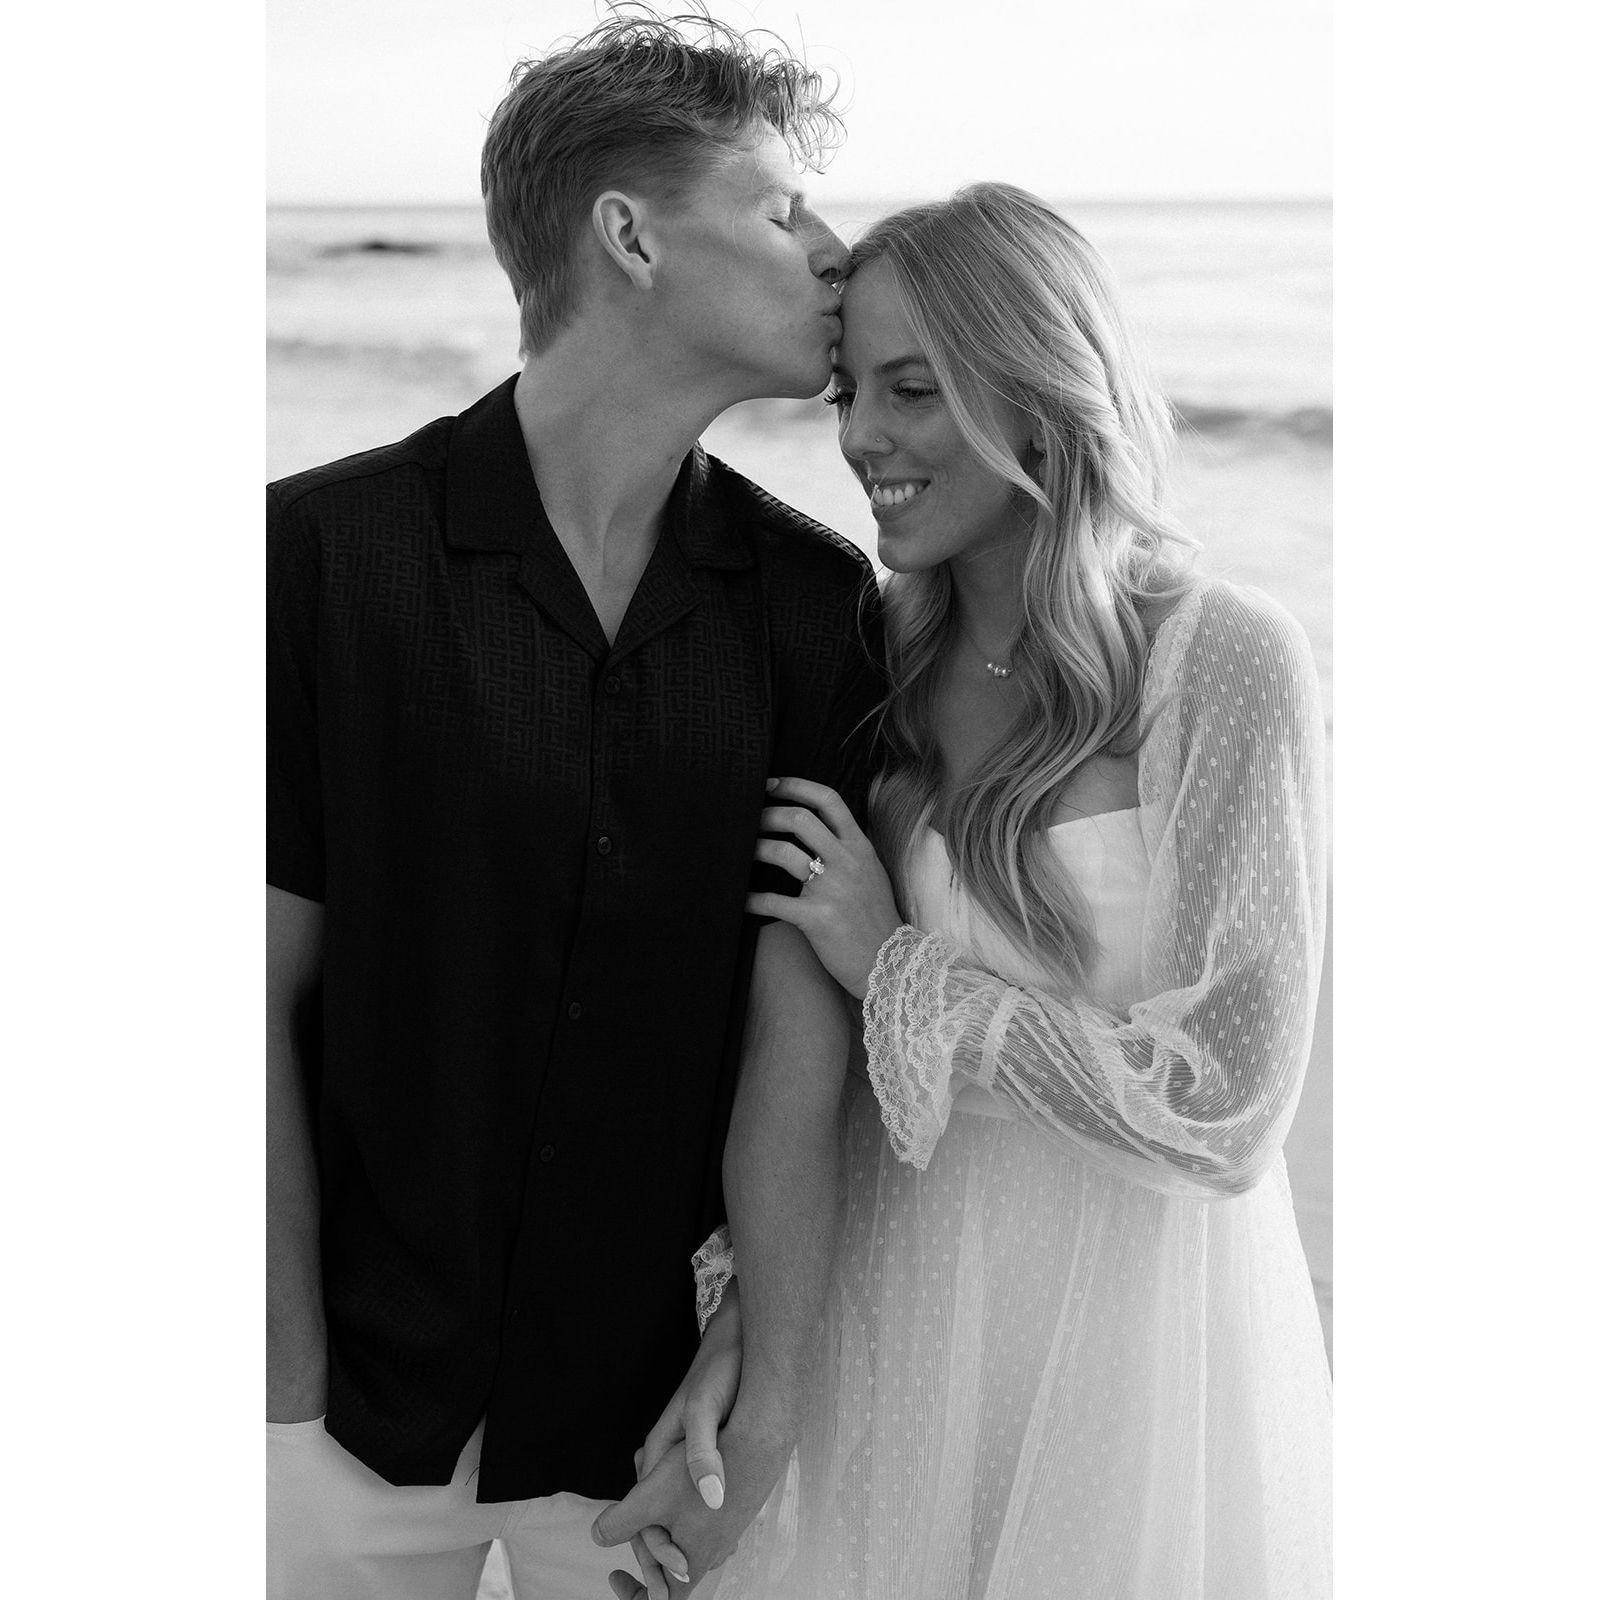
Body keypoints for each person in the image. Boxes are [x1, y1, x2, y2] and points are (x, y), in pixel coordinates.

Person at [597, 183, 1331, 1598]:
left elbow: (1226, 1109)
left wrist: (900, 969)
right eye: (850, 393)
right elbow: (819, 1078)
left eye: (913, 390)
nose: (861, 437)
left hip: (1133, 1345)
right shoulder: (867, 669)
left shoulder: (1223, 659)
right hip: (905, 1316)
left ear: (1039, 397)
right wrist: (751, 1339)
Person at [266, 12, 886, 1597]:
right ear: (630, 237)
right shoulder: (313, 558)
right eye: (783, 210)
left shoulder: (817, 604)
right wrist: (282, 1383)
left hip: (654, 1426)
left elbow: (797, 1038)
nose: (835, 252)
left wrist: (771, 1389)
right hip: (342, 1419)